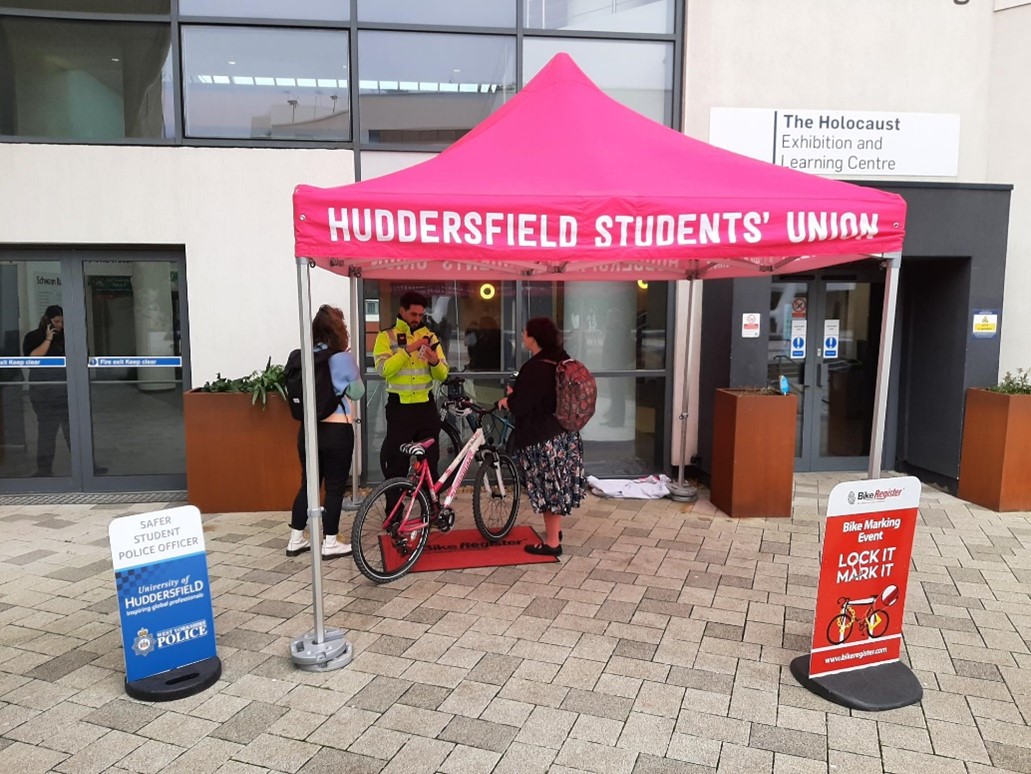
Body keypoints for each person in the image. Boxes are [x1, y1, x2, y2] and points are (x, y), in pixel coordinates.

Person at [498, 317, 587, 556]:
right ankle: (554, 532)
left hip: (544, 439)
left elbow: (522, 406)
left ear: (532, 338)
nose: (521, 336)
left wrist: (509, 398)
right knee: (556, 487)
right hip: (565, 436)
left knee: (549, 490)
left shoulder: (535, 367)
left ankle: (552, 544)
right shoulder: (560, 357)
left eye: (524, 333)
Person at [286, 305, 365, 559]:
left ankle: (297, 538)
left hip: (308, 431)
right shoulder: (341, 358)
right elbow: (357, 393)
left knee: (308, 484)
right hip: (336, 431)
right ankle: (330, 542)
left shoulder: (303, 356)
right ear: (338, 331)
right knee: (333, 487)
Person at [374, 291, 449, 479]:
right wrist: (409, 349)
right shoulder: (386, 336)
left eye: (421, 315)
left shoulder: (430, 336)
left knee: (429, 462)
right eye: (413, 314)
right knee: (396, 463)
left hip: (425, 407)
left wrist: (434, 362)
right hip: (399, 408)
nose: (417, 319)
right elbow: (383, 370)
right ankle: (395, 508)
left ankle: (430, 506)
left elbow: (443, 374)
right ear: (402, 311)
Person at [22, 305, 69, 477]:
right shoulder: (34, 337)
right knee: (47, 431)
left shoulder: (67, 336)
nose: (60, 325)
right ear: (47, 321)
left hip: (66, 389)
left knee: (74, 429)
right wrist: (48, 339)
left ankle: (86, 468)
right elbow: (32, 358)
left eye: (63, 322)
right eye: (57, 322)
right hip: (44, 391)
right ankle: (44, 469)